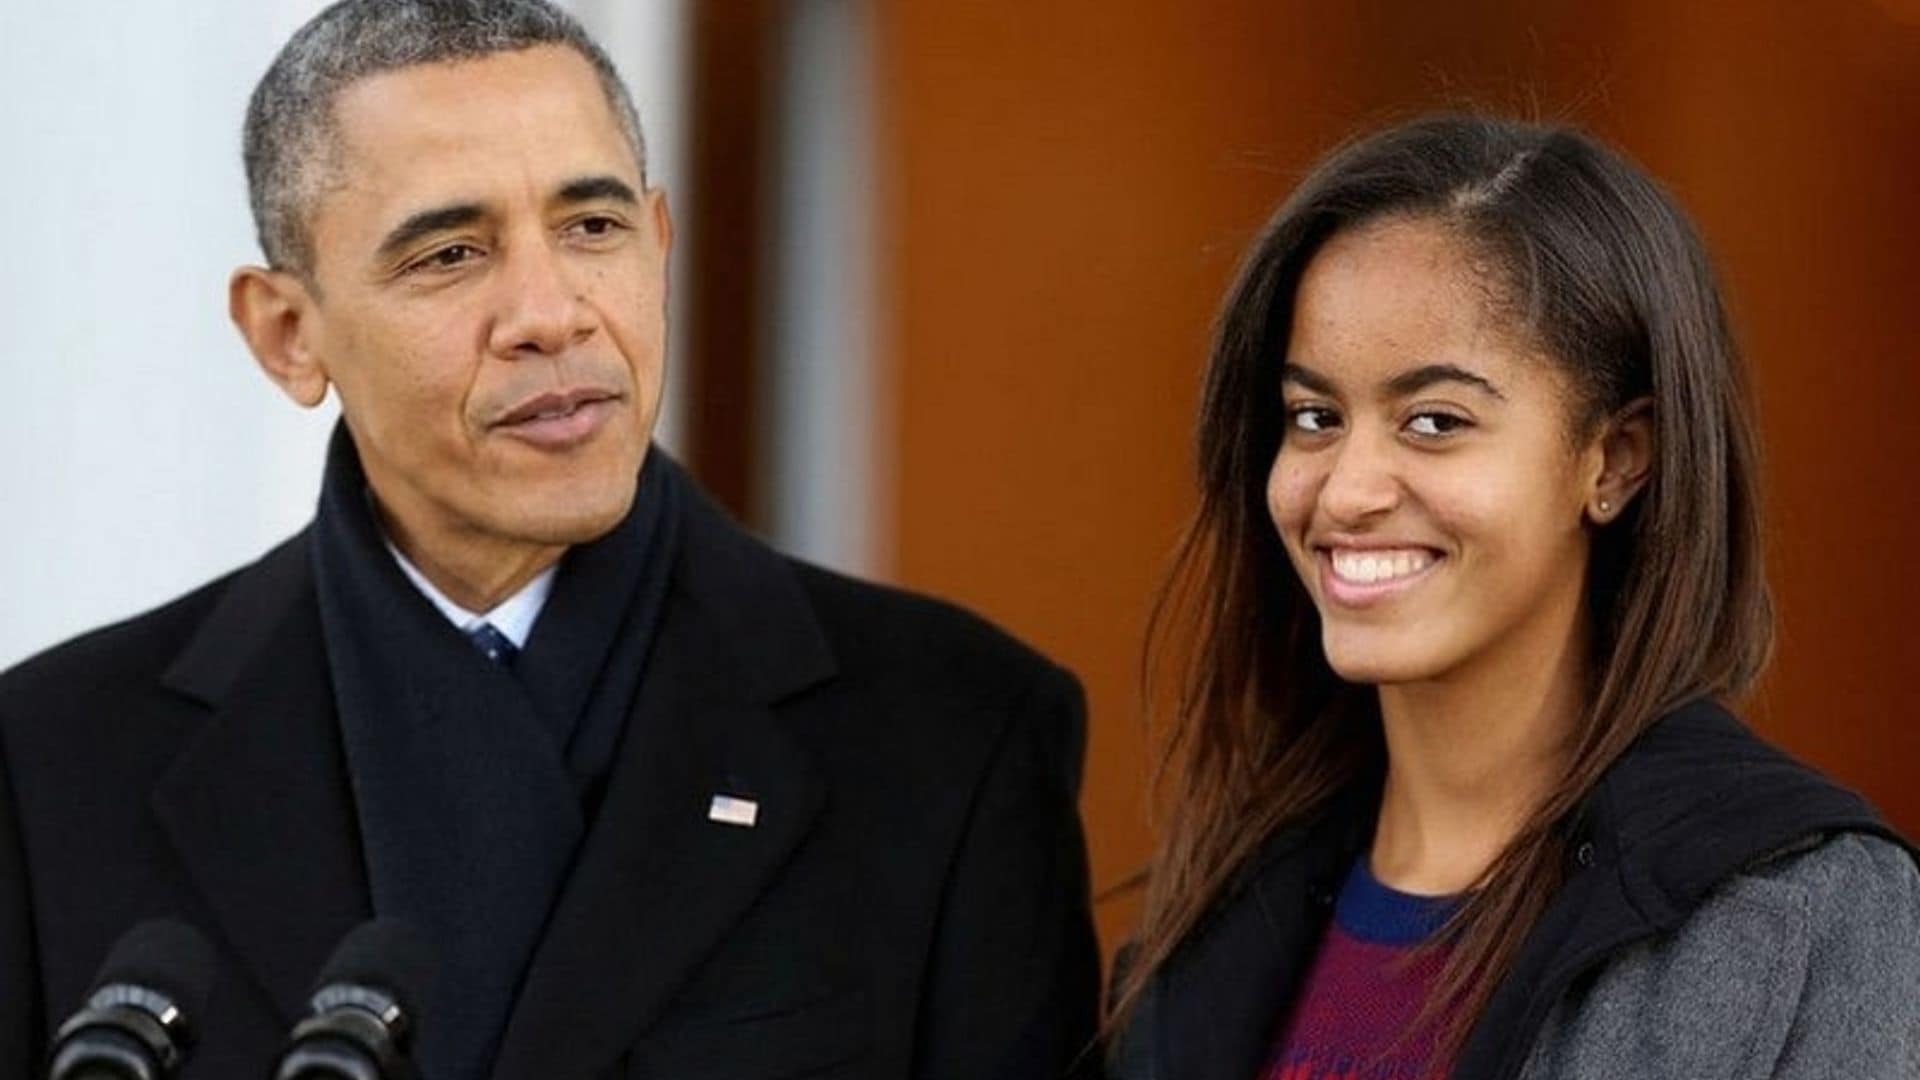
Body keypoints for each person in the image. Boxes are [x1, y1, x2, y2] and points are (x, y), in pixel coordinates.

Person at [0, 2, 1099, 1077]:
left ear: (660, 246)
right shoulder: (56, 762)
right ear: (289, 335)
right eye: (450, 255)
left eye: (593, 227)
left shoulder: (952, 736)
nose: (552, 312)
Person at [1106, 114, 1920, 1079]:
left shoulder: (1794, 908)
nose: (1347, 489)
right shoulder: (1221, 920)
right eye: (1315, 417)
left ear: (1614, 459)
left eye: (1435, 421)